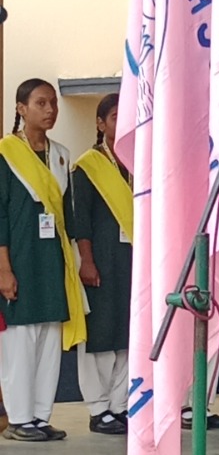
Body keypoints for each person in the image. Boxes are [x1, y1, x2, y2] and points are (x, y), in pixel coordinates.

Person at [0, 77, 85, 442]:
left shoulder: (62, 155)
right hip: (19, 258)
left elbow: (65, 216)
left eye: (53, 103)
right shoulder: (6, 154)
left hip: (53, 260)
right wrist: (4, 267)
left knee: (50, 338)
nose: (50, 110)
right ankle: (19, 418)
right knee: (20, 342)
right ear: (21, 109)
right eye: (40, 103)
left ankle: (40, 415)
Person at [72, 93, 132, 436]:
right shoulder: (87, 166)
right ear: (100, 124)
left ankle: (120, 404)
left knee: (126, 333)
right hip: (101, 260)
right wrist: (87, 261)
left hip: (130, 260)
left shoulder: (137, 165)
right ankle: (98, 408)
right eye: (114, 117)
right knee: (100, 335)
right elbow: (81, 220)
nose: (120, 124)